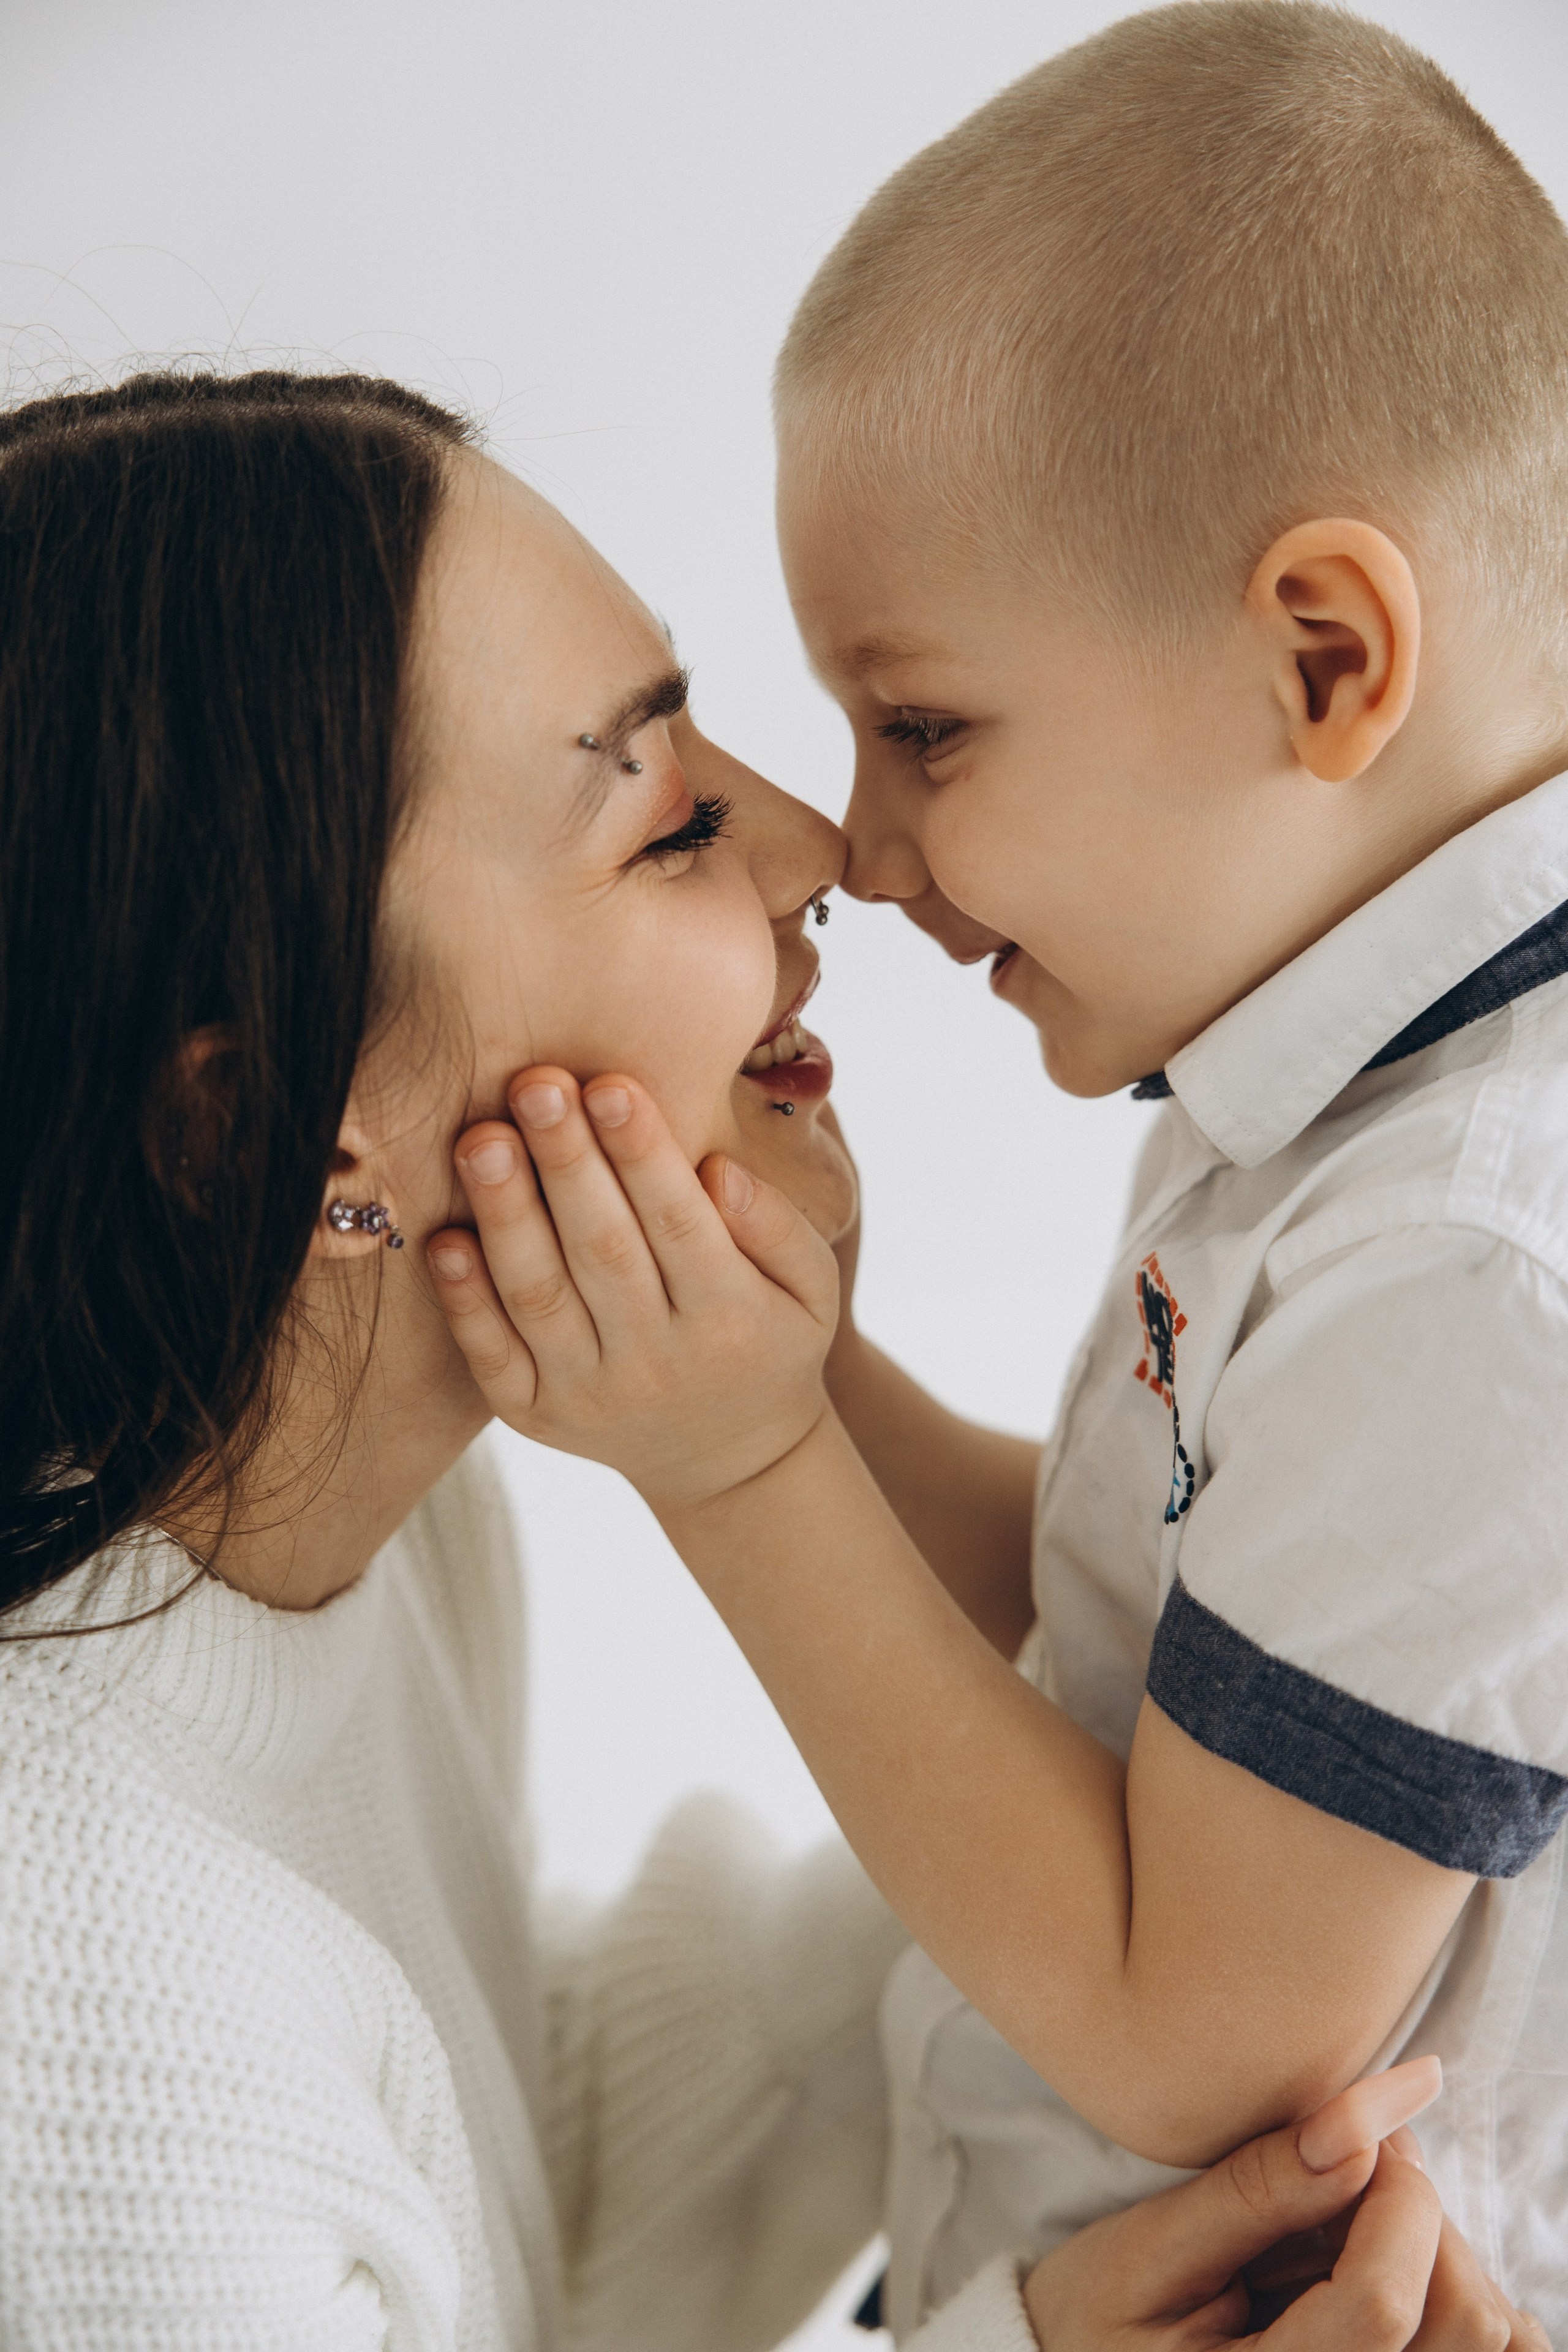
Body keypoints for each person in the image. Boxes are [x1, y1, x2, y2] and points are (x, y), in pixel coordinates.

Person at [0, 368, 1519, 2349]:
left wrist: (1245, 1827)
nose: (828, 850)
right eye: (672, 824)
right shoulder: (70, 2026)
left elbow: (489, 2185)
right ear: (267, 1126)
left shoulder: (365, 1535)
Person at [423, 1, 1568, 2338]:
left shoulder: (1473, 1249)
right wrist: (802, 1372)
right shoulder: (1344, 1102)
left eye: (926, 726)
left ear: (1324, 659)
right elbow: (1142, 1629)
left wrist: (743, 1472)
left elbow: (1197, 2041)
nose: (861, 843)